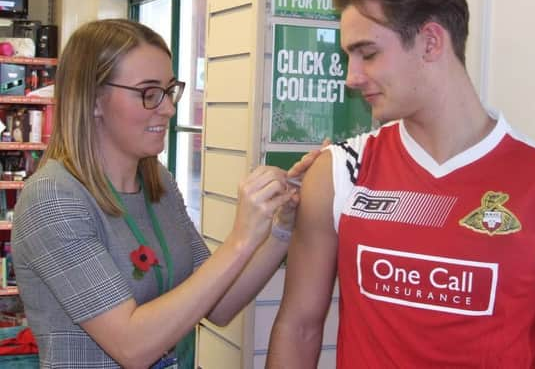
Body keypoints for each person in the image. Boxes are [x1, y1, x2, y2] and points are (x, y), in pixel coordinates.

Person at [267, 0, 535, 368]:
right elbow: (299, 326)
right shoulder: (341, 171)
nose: (351, 77)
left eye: (367, 53)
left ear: (430, 41)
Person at [11, 19, 321, 368]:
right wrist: (240, 239)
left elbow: (220, 305)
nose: (169, 109)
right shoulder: (54, 199)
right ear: (94, 99)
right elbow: (132, 347)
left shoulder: (157, 182)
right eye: (149, 93)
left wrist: (280, 226)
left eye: (169, 90)